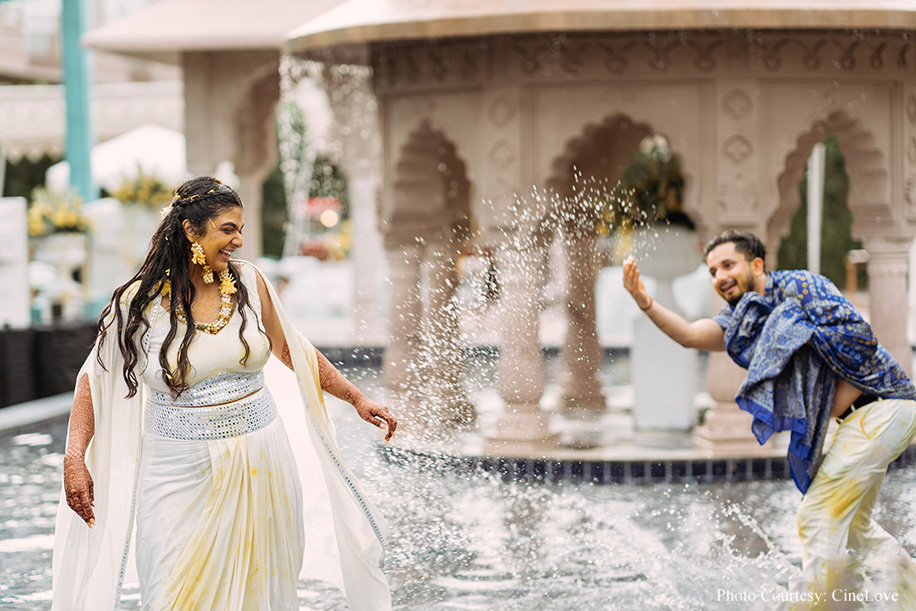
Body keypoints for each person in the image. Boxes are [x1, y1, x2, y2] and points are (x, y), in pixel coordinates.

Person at [52, 176, 397, 611]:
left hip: (261, 460)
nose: (238, 240)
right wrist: (74, 457)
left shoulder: (250, 283)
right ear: (191, 230)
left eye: (240, 229)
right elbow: (95, 380)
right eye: (228, 228)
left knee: (261, 590)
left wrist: (356, 398)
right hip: (175, 467)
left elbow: (294, 349)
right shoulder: (138, 302)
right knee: (171, 590)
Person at [622, 230, 916, 607]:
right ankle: (873, 597)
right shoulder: (745, 319)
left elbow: (860, 341)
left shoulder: (800, 286)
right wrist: (644, 301)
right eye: (712, 270)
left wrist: (818, 402)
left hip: (885, 407)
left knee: (816, 516)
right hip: (863, 421)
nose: (719, 276)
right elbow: (693, 336)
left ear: (756, 264)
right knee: (852, 528)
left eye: (728, 265)